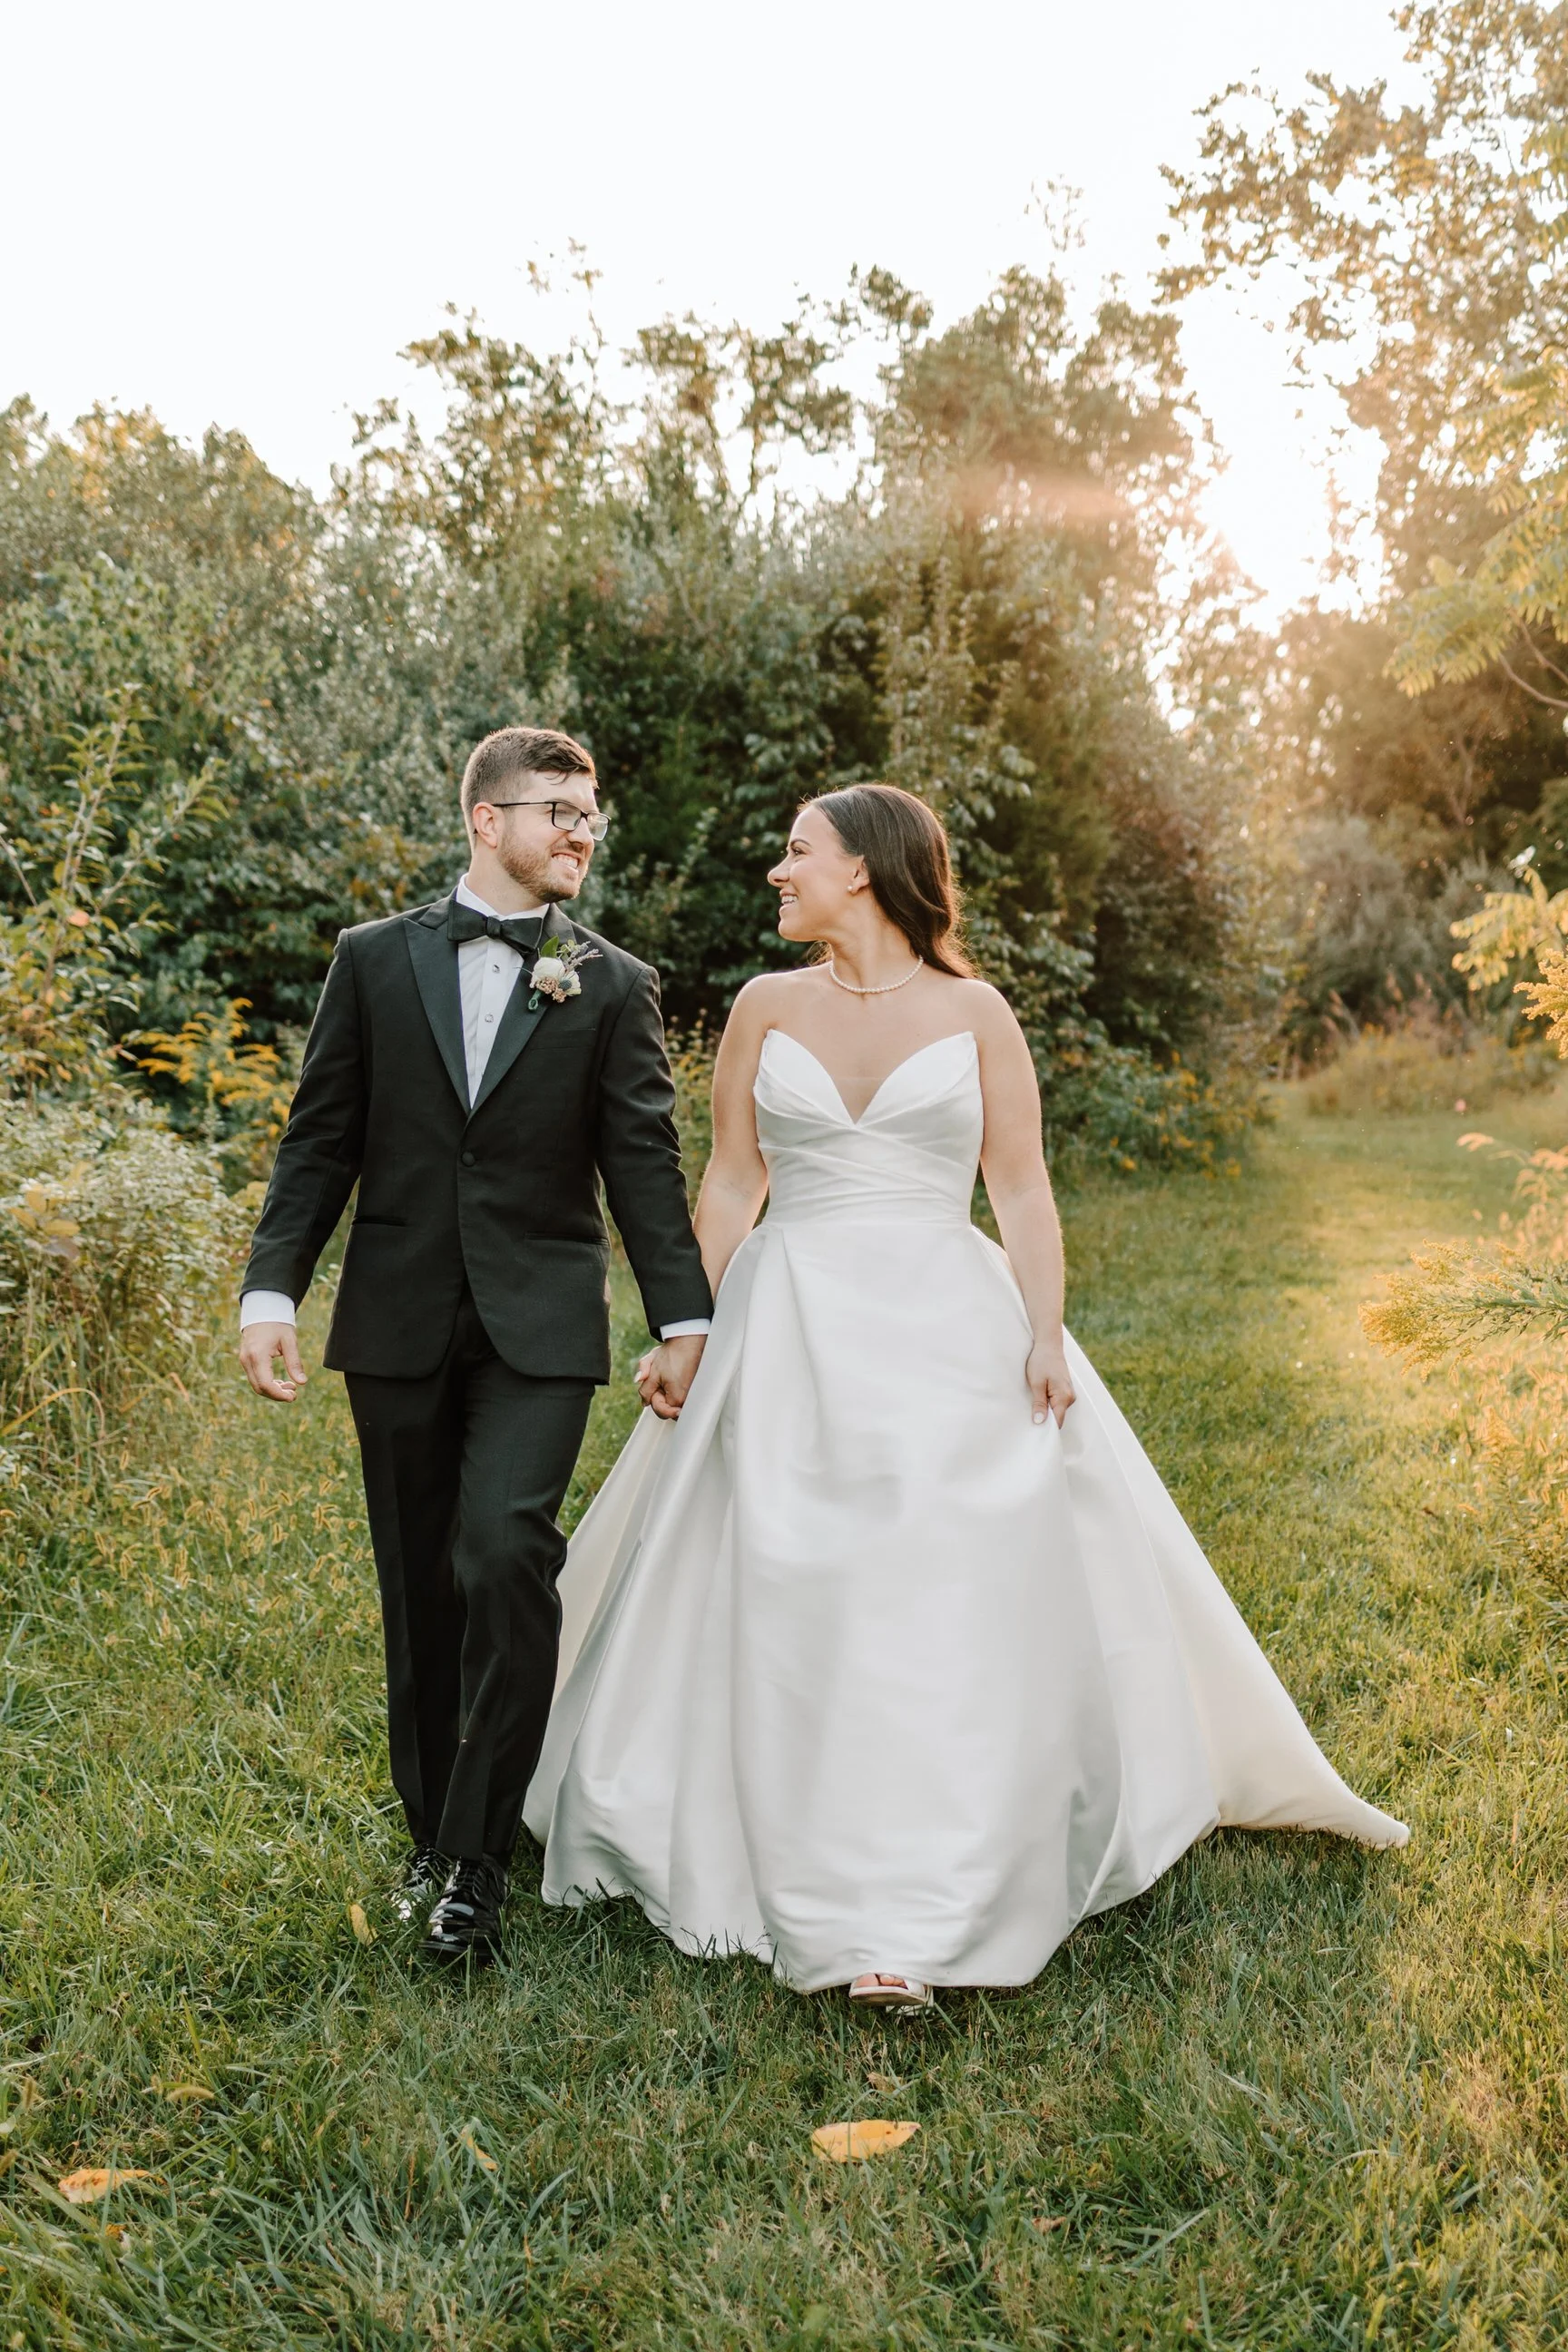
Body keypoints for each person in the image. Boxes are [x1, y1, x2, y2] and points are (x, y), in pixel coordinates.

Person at [525, 782, 1407, 2009]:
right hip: (789, 1322)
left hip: (946, 1317)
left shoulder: (976, 1012)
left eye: (798, 854)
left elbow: (1025, 1190)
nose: (777, 874)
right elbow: (730, 1186)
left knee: (934, 1592)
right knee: (793, 1578)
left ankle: (927, 1898)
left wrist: (1043, 1332)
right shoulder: (764, 1008)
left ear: (867, 873)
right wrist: (694, 1330)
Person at [238, 726, 711, 1966]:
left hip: (540, 1323)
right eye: (556, 808)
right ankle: (429, 1828)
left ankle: (478, 1864)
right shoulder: (374, 962)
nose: (580, 832)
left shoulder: (611, 982)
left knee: (506, 1551)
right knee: (420, 1582)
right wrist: (270, 1293)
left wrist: (686, 1315)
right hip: (395, 1316)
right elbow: (318, 1140)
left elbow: (644, 1165)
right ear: (484, 820)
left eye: (590, 813)